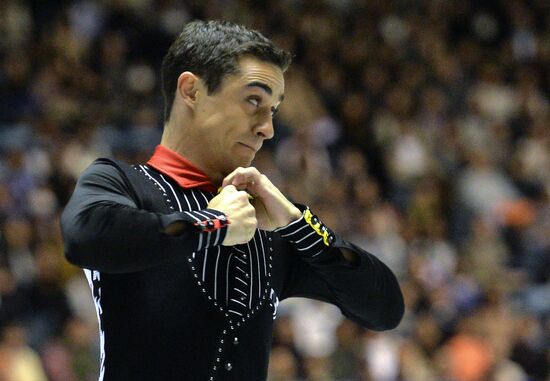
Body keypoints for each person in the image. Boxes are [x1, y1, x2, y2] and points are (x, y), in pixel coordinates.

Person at [60, 20, 404, 381]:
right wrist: (214, 224)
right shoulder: (123, 183)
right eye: (253, 101)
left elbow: (384, 308)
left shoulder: (267, 225)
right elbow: (85, 237)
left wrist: (300, 225)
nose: (267, 128)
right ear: (191, 90)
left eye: (272, 109)